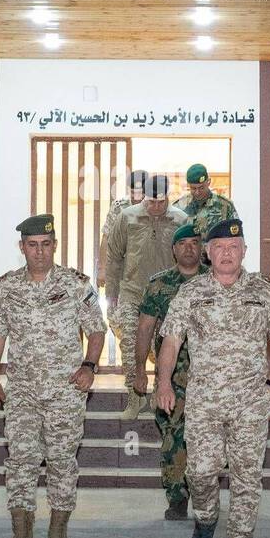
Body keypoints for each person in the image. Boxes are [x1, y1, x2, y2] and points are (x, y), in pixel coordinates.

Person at [157, 219, 270, 538]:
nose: (227, 253)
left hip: (251, 401)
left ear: (244, 251)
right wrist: (164, 383)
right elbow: (171, 341)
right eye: (219, 248)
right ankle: (205, 518)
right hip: (205, 402)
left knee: (248, 476)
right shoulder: (191, 293)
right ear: (207, 253)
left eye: (234, 248)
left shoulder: (264, 291)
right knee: (200, 473)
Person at [0, 213, 106, 538]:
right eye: (32, 245)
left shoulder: (76, 285)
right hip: (22, 388)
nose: (39, 252)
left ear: (55, 246)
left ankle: (57, 529)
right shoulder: (5, 287)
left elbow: (97, 329)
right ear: (22, 247)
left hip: (65, 390)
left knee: (60, 460)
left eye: (46, 245)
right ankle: (21, 536)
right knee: (21, 459)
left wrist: (89, 365)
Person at [132, 224, 204, 520]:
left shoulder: (216, 281)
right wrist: (140, 370)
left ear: (202, 248)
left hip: (210, 375)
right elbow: (145, 327)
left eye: (194, 243)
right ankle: (177, 496)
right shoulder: (159, 284)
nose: (189, 248)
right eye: (182, 243)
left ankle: (202, 491)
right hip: (171, 374)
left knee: (205, 436)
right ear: (173, 249)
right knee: (174, 436)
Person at [106, 175, 189, 419]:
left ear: (168, 197)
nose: (155, 207)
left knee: (163, 348)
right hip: (133, 294)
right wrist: (112, 298)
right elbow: (114, 258)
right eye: (151, 202)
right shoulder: (127, 217)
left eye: (160, 202)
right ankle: (134, 397)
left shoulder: (180, 220)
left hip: (167, 298)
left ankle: (158, 394)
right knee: (131, 346)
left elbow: (188, 260)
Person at [172, 164, 238, 240]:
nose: (197, 192)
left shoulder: (225, 205)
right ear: (188, 185)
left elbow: (235, 236)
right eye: (193, 188)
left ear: (208, 182)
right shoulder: (179, 206)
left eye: (201, 188)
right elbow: (172, 238)